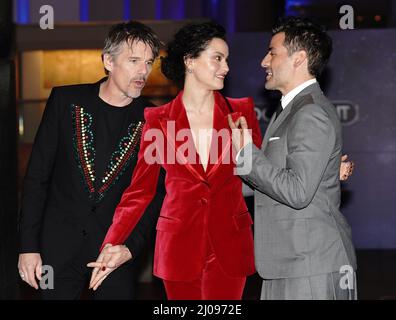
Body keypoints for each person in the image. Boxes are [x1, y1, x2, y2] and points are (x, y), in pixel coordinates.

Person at [88, 21, 354, 300]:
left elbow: (262, 174)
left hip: (230, 248)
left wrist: (322, 169)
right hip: (178, 248)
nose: (226, 67)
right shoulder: (158, 121)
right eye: (217, 58)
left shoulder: (240, 113)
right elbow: (140, 193)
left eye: (226, 59)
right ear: (190, 61)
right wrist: (113, 242)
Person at [17, 21, 164, 300]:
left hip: (114, 253)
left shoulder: (154, 121)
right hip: (56, 250)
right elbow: (37, 177)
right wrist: (28, 247)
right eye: (133, 60)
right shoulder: (66, 101)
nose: (143, 71)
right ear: (108, 60)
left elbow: (155, 195)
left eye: (148, 62)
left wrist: (130, 248)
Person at [228, 17, 357, 300]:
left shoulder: (309, 113)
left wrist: (246, 154)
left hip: (310, 267)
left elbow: (297, 191)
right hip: (288, 264)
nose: (264, 61)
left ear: (299, 58)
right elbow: (267, 181)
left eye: (272, 53)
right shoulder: (289, 111)